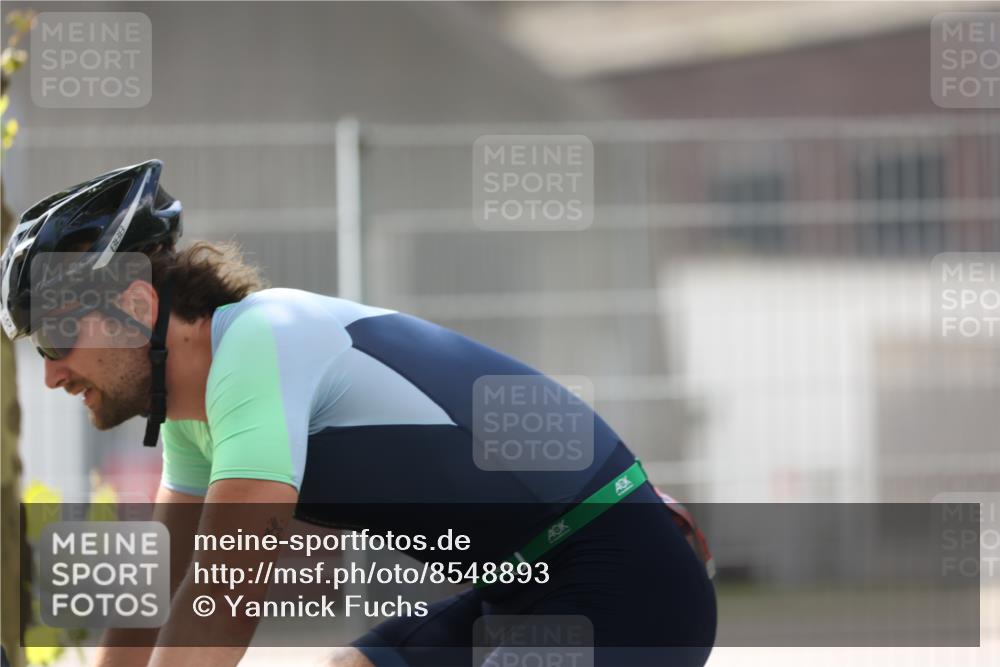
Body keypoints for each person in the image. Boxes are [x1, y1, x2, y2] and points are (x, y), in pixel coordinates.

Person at [1, 160, 716, 667]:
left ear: (134, 306)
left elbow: (222, 598)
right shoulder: (191, 408)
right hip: (520, 586)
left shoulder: (257, 345)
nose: (53, 371)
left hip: (622, 575)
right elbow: (152, 602)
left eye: (60, 339)